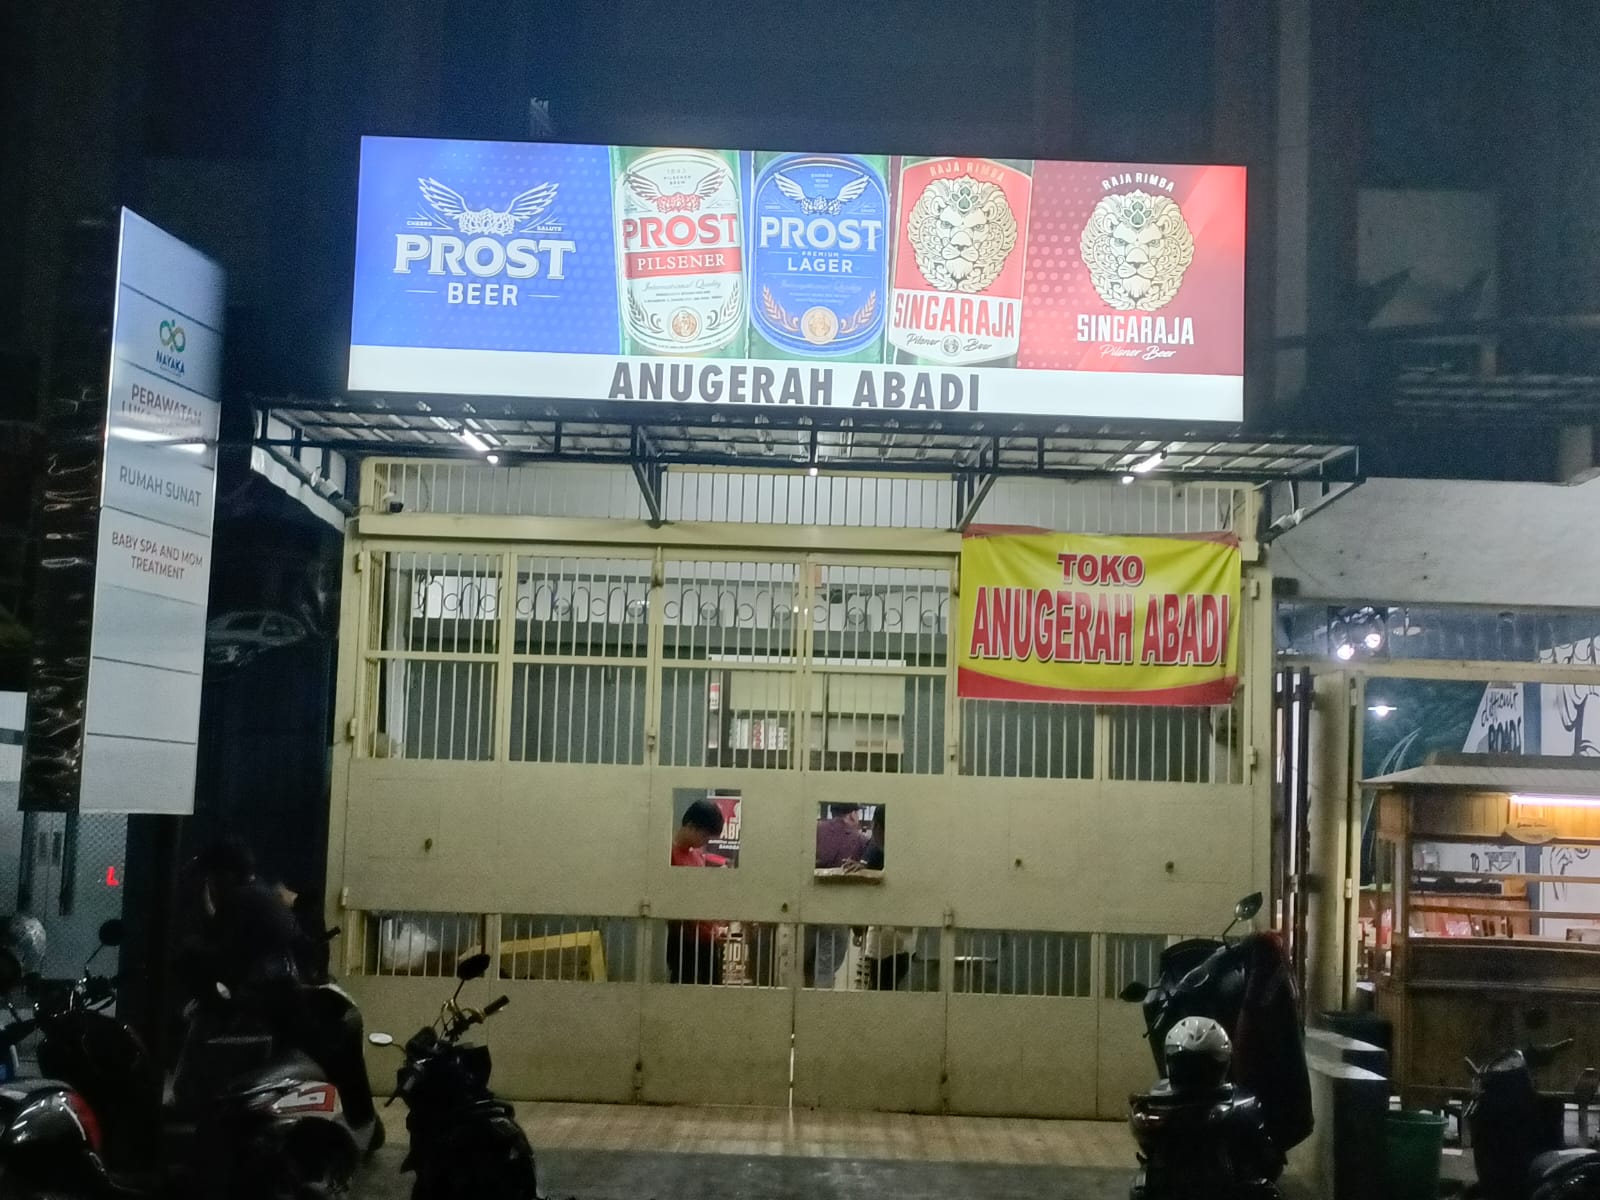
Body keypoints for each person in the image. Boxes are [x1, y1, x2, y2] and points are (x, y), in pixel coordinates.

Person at [184, 838, 378, 1134]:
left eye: (211, 876)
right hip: (289, 994)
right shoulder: (258, 895)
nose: (209, 884)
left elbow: (221, 953)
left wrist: (193, 954)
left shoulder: (240, 900)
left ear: (224, 875)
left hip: (276, 1001)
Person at [806, 804, 871, 988]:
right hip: (838, 913)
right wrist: (860, 927)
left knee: (803, 967)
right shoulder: (860, 840)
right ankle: (820, 1011)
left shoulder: (812, 831)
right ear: (851, 814)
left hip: (806, 910)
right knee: (825, 970)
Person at [666, 800, 725, 984]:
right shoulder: (669, 855)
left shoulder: (697, 854)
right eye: (705, 836)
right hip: (685, 940)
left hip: (707, 938)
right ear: (691, 826)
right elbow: (676, 900)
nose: (705, 842)